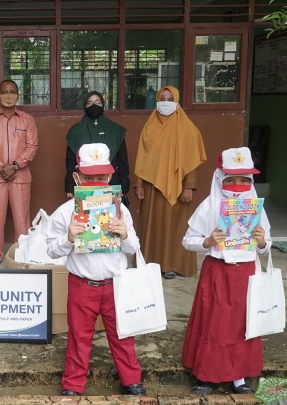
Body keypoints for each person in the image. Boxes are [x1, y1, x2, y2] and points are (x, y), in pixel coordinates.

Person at [46, 143, 147, 397]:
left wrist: (124, 234)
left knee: (123, 335)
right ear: (77, 177)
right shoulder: (65, 212)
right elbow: (50, 251)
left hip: (115, 284)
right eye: (89, 178)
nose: (95, 182)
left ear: (110, 177)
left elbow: (133, 248)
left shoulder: (120, 209)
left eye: (101, 177)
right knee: (79, 338)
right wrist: (68, 238)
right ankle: (73, 384)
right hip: (82, 285)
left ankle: (131, 379)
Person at [181, 146, 272, 396]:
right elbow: (187, 240)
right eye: (231, 179)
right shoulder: (209, 206)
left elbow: (267, 246)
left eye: (244, 179)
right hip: (217, 271)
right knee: (214, 324)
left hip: (246, 273)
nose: (238, 184)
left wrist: (262, 241)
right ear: (220, 177)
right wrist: (208, 241)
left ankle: (238, 376)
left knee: (242, 324)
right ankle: (206, 375)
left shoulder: (256, 208)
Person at [133, 85, 207, 280]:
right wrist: (138, 184)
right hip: (152, 187)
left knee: (176, 228)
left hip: (179, 187)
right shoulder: (149, 127)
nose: (166, 102)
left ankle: (172, 265)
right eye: (162, 98)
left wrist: (189, 186)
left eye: (169, 98)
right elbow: (141, 158)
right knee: (152, 226)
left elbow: (192, 160)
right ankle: (150, 263)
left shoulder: (188, 129)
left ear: (177, 101)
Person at [0, 79, 39, 262]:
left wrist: (14, 166)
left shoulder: (27, 119)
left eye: (12, 91)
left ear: (18, 95)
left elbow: (32, 146)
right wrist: (1, 167)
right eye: (4, 92)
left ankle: (20, 258)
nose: (8, 95)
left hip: (20, 177)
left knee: (22, 221)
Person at [65, 91, 130, 206]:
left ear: (103, 104)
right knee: (86, 220)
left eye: (97, 102)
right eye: (89, 103)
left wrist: (124, 186)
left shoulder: (115, 130)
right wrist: (70, 185)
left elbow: (123, 160)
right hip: (84, 184)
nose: (94, 106)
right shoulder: (76, 131)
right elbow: (70, 161)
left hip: (112, 183)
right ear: (84, 106)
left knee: (108, 219)